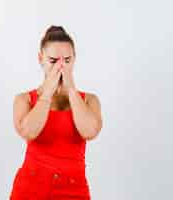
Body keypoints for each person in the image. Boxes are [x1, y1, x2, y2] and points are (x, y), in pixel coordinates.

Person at [9, 25, 103, 200]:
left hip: (74, 189)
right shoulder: (24, 100)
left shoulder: (89, 100)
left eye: (66, 61)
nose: (60, 68)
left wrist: (71, 91)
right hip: (31, 188)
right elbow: (29, 132)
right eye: (53, 61)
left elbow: (90, 131)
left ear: (74, 59)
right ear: (40, 58)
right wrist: (47, 93)